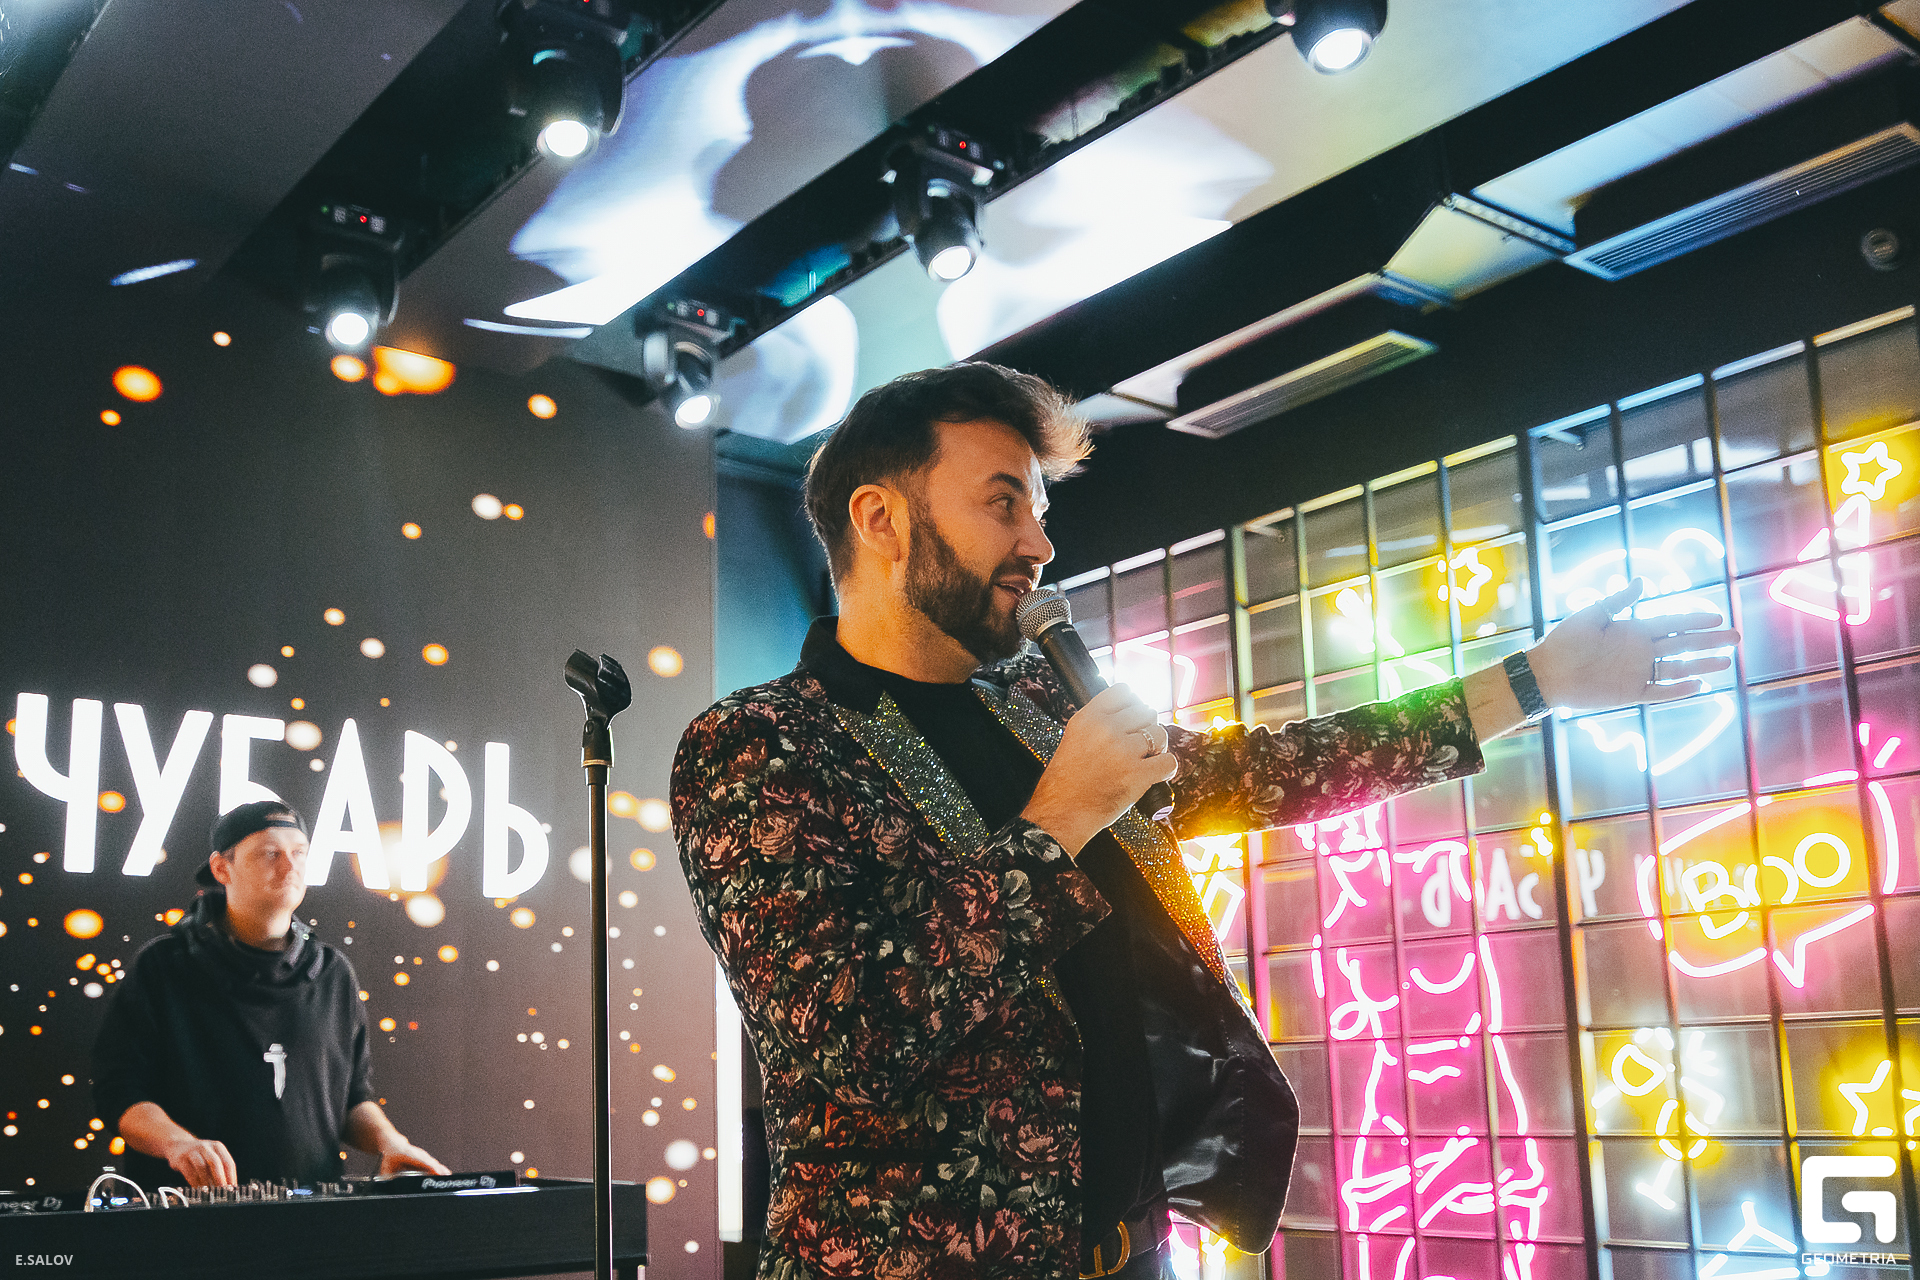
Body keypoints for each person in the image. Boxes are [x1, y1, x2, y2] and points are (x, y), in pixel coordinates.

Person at [670, 362, 1735, 1280]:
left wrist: (1531, 682)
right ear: (880, 518)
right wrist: (1061, 817)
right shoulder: (760, 744)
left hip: (1137, 1251)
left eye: (1039, 509)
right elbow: (852, 1034)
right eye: (1003, 505)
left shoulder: (1038, 705)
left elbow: (1268, 772)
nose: (1040, 542)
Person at [92, 800, 449, 1190]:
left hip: (313, 1215)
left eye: (299, 853)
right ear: (221, 868)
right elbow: (119, 1094)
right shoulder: (163, 966)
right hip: (188, 1213)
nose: (289, 865)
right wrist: (178, 1144)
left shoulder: (333, 973)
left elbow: (351, 1100)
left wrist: (390, 1142)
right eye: (269, 853)